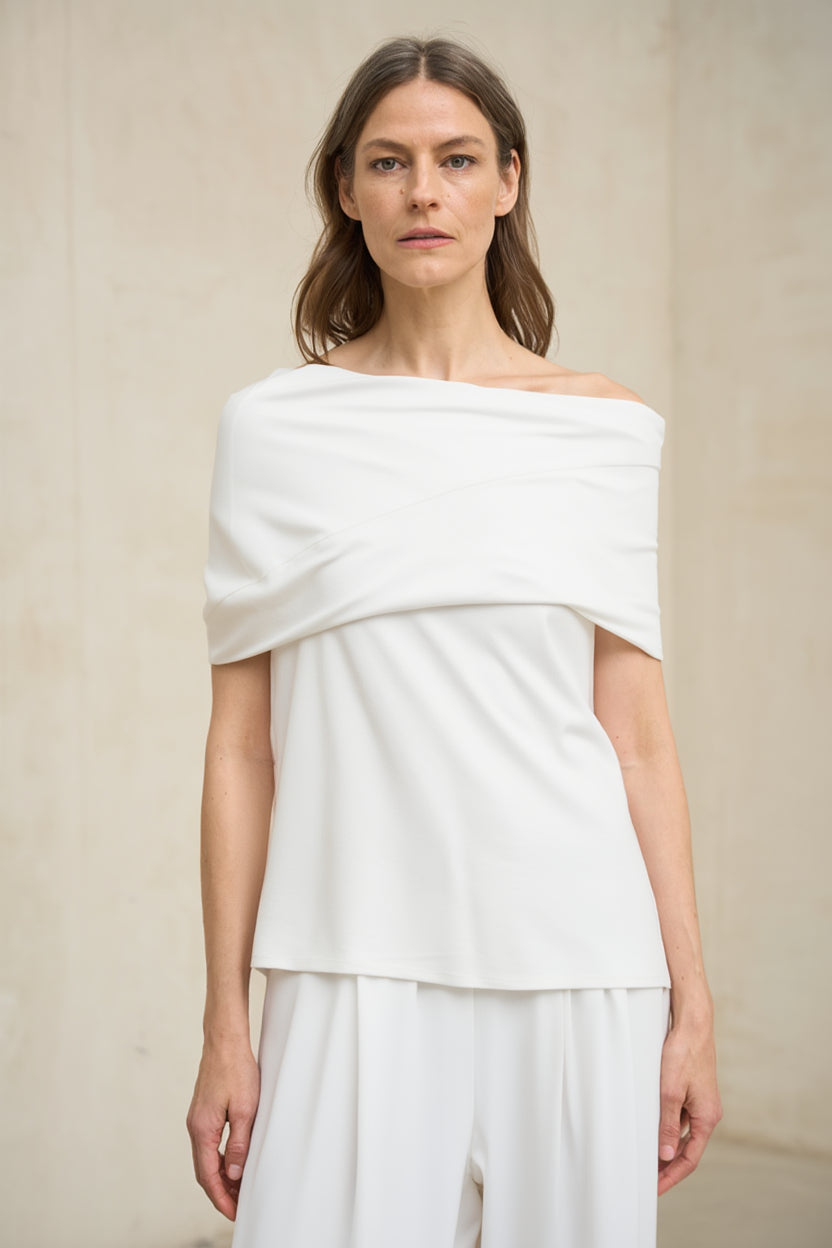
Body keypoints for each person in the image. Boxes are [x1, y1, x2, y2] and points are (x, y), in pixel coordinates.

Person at [186, 33, 722, 1248]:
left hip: (583, 960)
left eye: (457, 158)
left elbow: (636, 738)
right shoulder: (274, 430)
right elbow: (241, 750)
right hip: (348, 956)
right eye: (388, 161)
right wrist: (226, 1019)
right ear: (344, 187)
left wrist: (692, 1001)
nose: (423, 191)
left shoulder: (603, 430)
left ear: (508, 181)